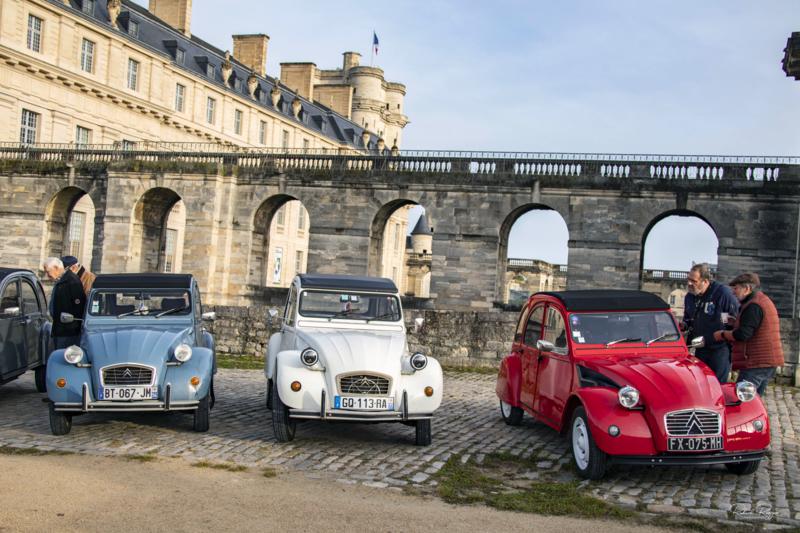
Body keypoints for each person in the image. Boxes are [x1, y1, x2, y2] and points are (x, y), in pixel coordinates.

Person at [713, 273, 784, 395]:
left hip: (756, 363)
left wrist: (723, 334)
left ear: (747, 289)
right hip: (765, 361)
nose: (734, 292)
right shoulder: (759, 301)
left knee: (743, 400)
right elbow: (753, 326)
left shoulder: (754, 305)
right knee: (754, 400)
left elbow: (743, 334)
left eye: (736, 289)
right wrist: (735, 322)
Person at [682, 263, 739, 383]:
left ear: (705, 281)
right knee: (701, 383)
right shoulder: (690, 297)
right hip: (700, 346)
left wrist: (725, 331)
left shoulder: (722, 294)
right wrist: (684, 325)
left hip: (720, 348)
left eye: (694, 281)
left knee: (717, 384)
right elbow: (688, 318)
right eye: (688, 279)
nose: (689, 284)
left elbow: (733, 319)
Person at [42, 257, 87, 349]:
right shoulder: (61, 280)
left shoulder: (72, 281)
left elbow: (79, 307)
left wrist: (71, 321)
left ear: (56, 268)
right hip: (59, 328)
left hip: (68, 331)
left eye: (48, 271)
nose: (47, 275)